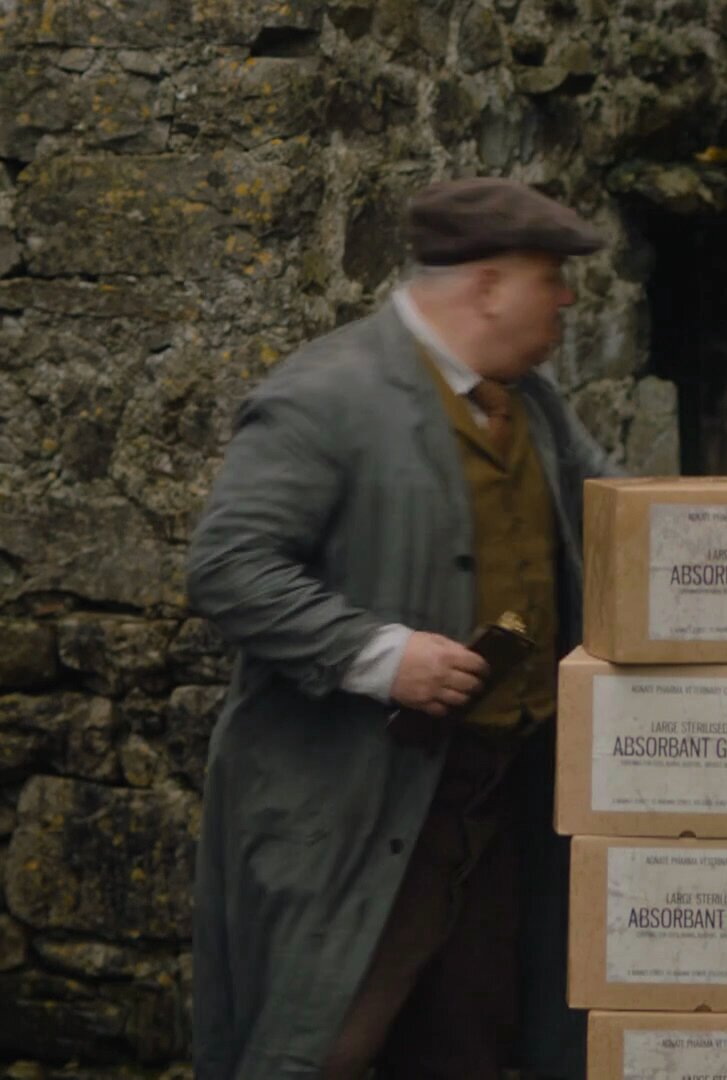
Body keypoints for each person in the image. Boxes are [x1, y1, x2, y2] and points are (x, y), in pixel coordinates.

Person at [187, 177, 621, 1080]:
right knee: (325, 1047)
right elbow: (229, 566)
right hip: (356, 804)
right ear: (488, 286)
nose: (568, 300)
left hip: (495, 803)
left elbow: (632, 525)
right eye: (551, 278)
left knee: (469, 1044)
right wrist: (378, 655)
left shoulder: (532, 406)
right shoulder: (326, 395)